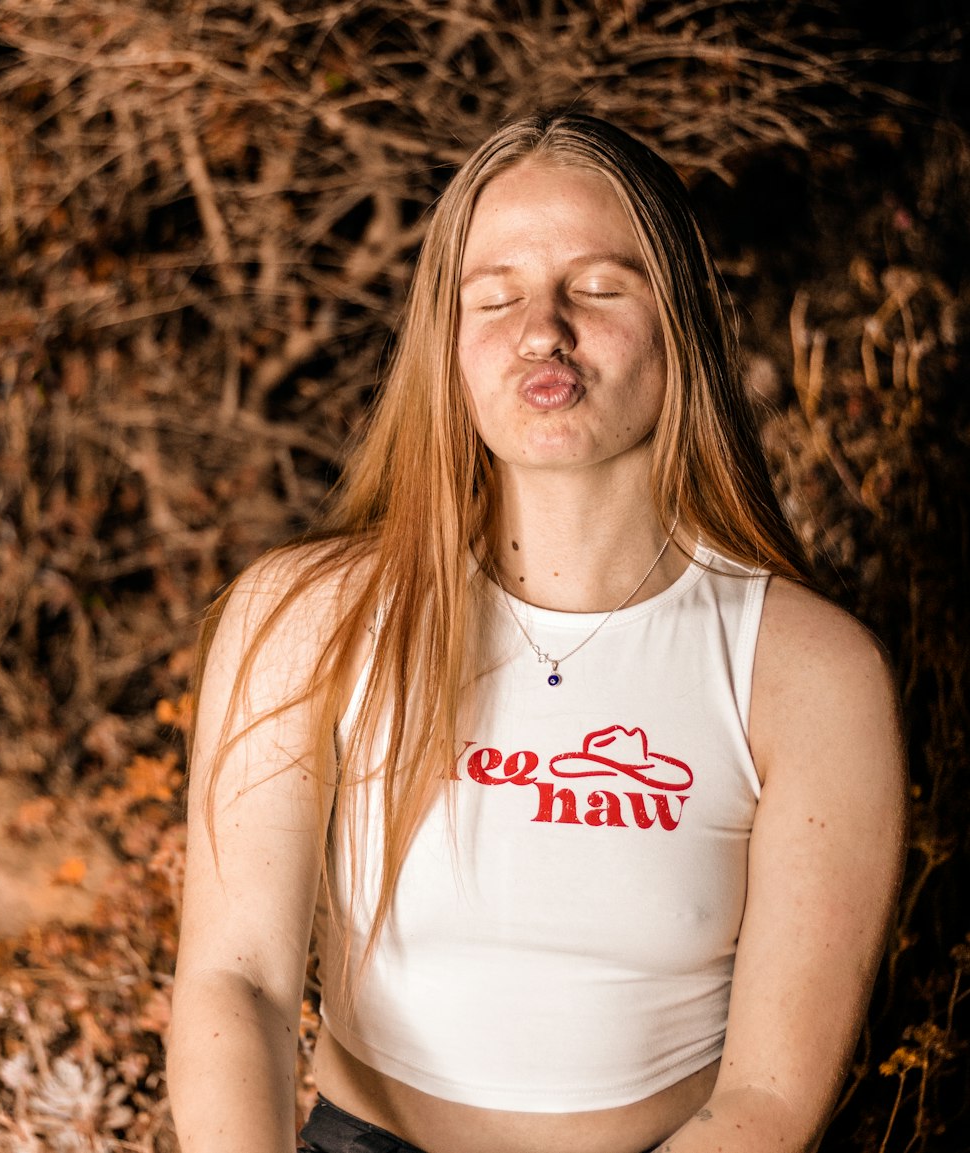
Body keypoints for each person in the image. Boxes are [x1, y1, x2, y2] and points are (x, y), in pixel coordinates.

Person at [166, 111, 907, 1153]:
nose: (541, 330)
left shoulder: (809, 673)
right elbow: (233, 979)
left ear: (679, 322)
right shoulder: (304, 620)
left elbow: (767, 1102)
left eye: (599, 286)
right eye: (495, 295)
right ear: (449, 343)